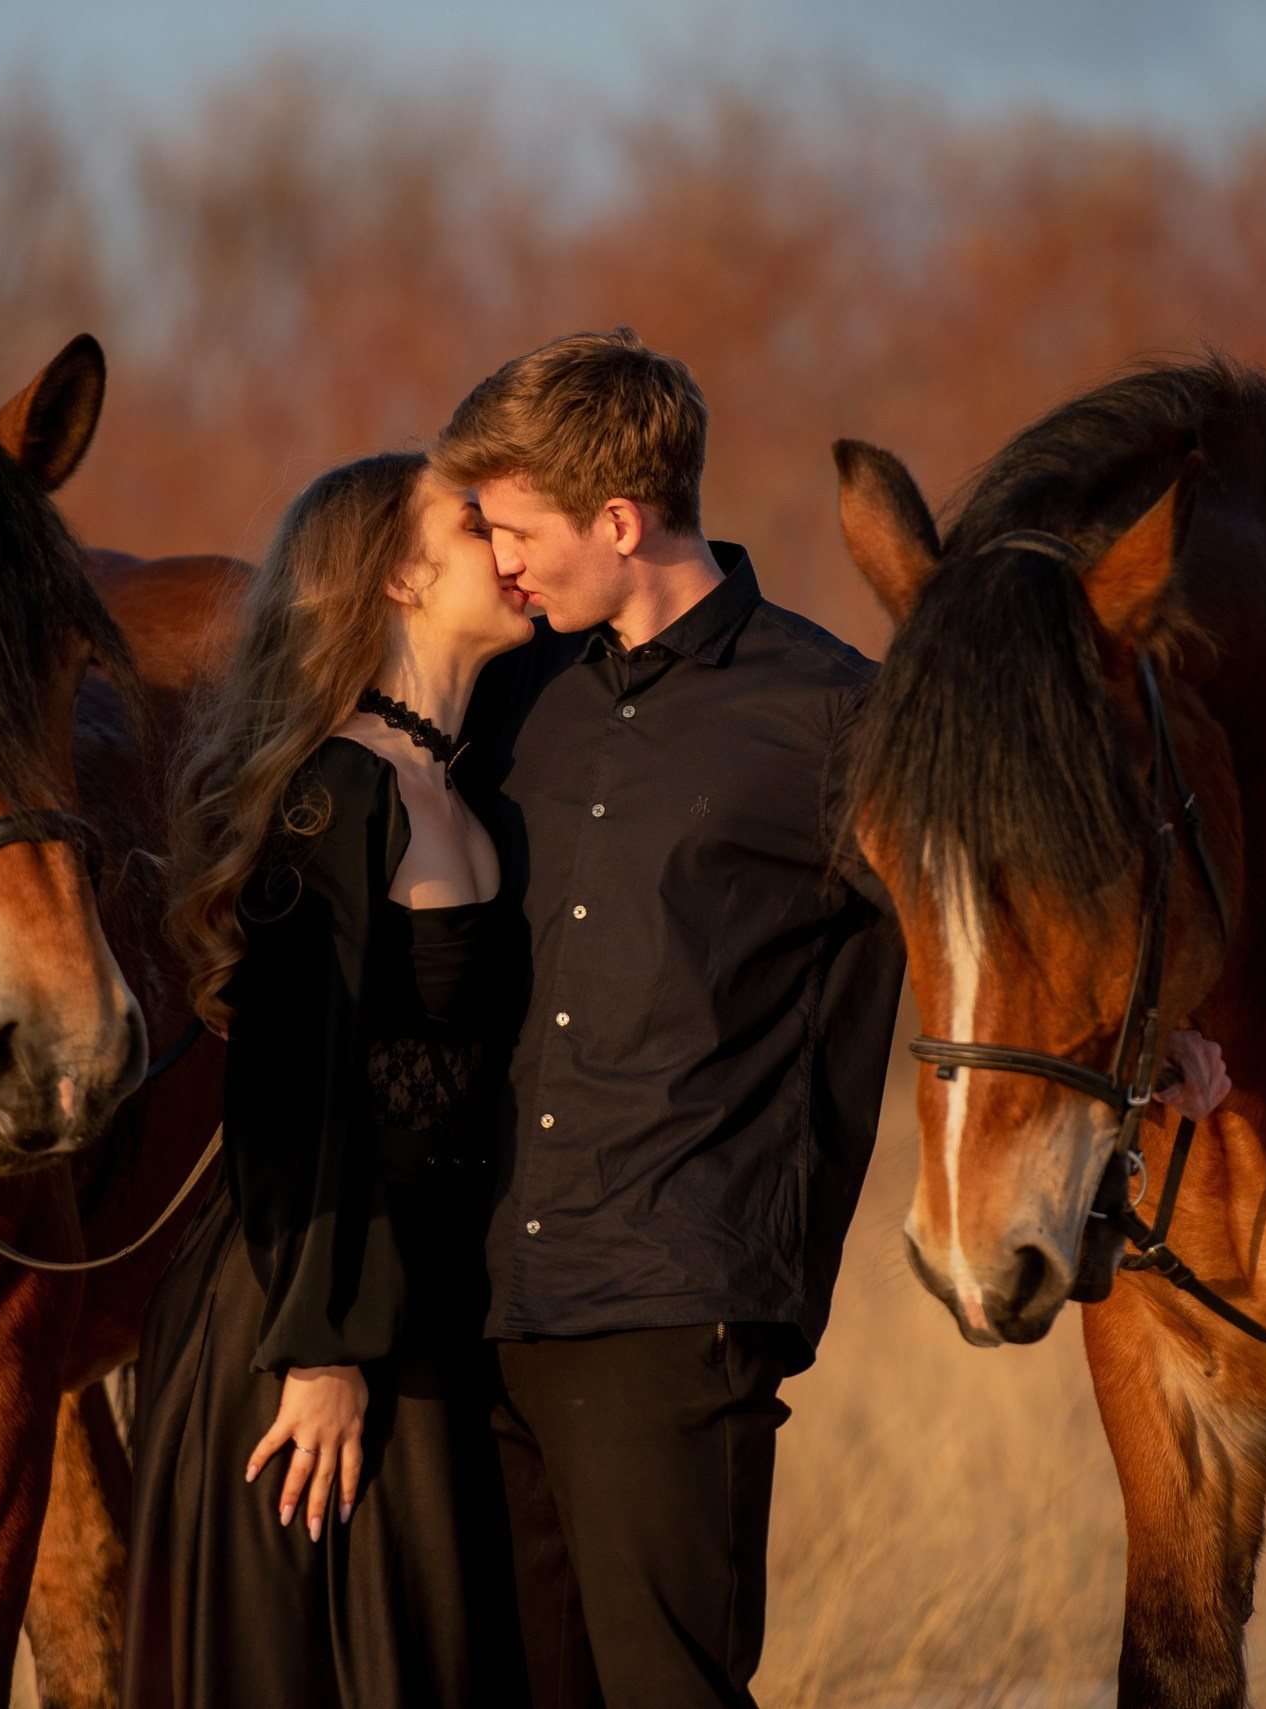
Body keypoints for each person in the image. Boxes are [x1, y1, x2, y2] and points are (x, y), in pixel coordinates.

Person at [439, 330, 907, 1709]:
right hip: (486, 1297)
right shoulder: (514, 699)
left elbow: (1004, 917)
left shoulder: (837, 716)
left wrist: (1161, 1035)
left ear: (619, 520)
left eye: (516, 530)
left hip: (676, 1303)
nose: (500, 562)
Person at [125, 451, 534, 1708]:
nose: (513, 541)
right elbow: (289, 1090)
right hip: (307, 1310)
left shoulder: (458, 783)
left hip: (420, 1305)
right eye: (476, 523)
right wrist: (321, 1351)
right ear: (401, 573)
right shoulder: (334, 793)